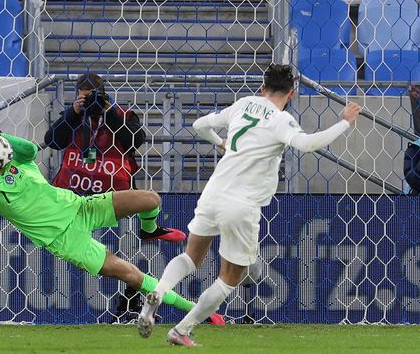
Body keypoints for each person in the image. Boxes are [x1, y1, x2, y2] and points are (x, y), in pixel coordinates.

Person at [136, 64, 362, 346]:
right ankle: (181, 330)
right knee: (230, 278)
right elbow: (307, 145)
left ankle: (158, 292)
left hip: (213, 192)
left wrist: (222, 143)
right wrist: (345, 122)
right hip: (241, 204)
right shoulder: (282, 120)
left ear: (262, 89)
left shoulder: (244, 104)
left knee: (190, 258)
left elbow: (198, 125)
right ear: (291, 94)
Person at [0, 106, 223, 323]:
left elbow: (29, 148)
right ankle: (198, 311)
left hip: (80, 207)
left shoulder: (22, 159)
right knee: (132, 275)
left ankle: (148, 229)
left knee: (150, 199)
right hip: (66, 240)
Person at [45, 73, 183, 322]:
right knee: (92, 253)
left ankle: (131, 302)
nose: (89, 103)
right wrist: (73, 113)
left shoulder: (122, 113)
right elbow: (52, 141)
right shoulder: (75, 116)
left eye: (91, 98)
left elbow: (136, 141)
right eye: (82, 98)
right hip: (76, 195)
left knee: (127, 249)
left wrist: (108, 113)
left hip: (115, 195)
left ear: (103, 95)